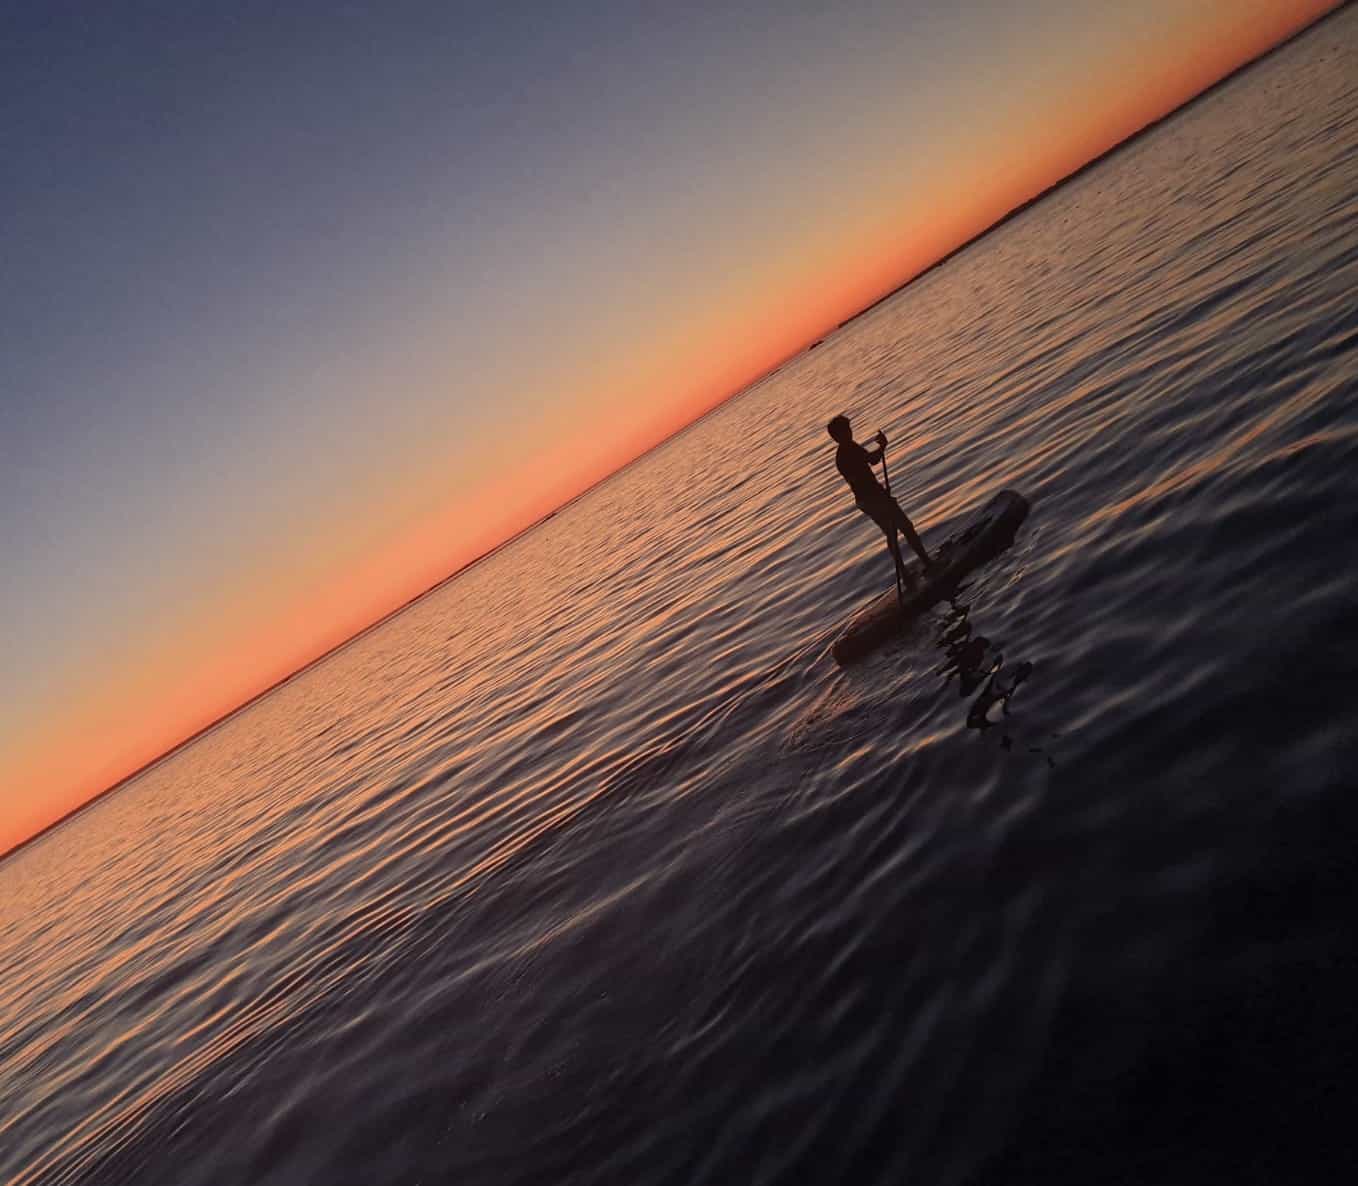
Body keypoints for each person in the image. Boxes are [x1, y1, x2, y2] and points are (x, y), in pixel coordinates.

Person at [827, 414, 933, 587]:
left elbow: (865, 464)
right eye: (846, 430)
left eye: (849, 429)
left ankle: (905, 576)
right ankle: (927, 563)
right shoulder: (850, 449)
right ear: (838, 435)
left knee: (891, 534)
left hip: (865, 501)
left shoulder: (841, 455)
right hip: (874, 497)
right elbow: (873, 460)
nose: (850, 432)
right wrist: (883, 446)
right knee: (906, 527)